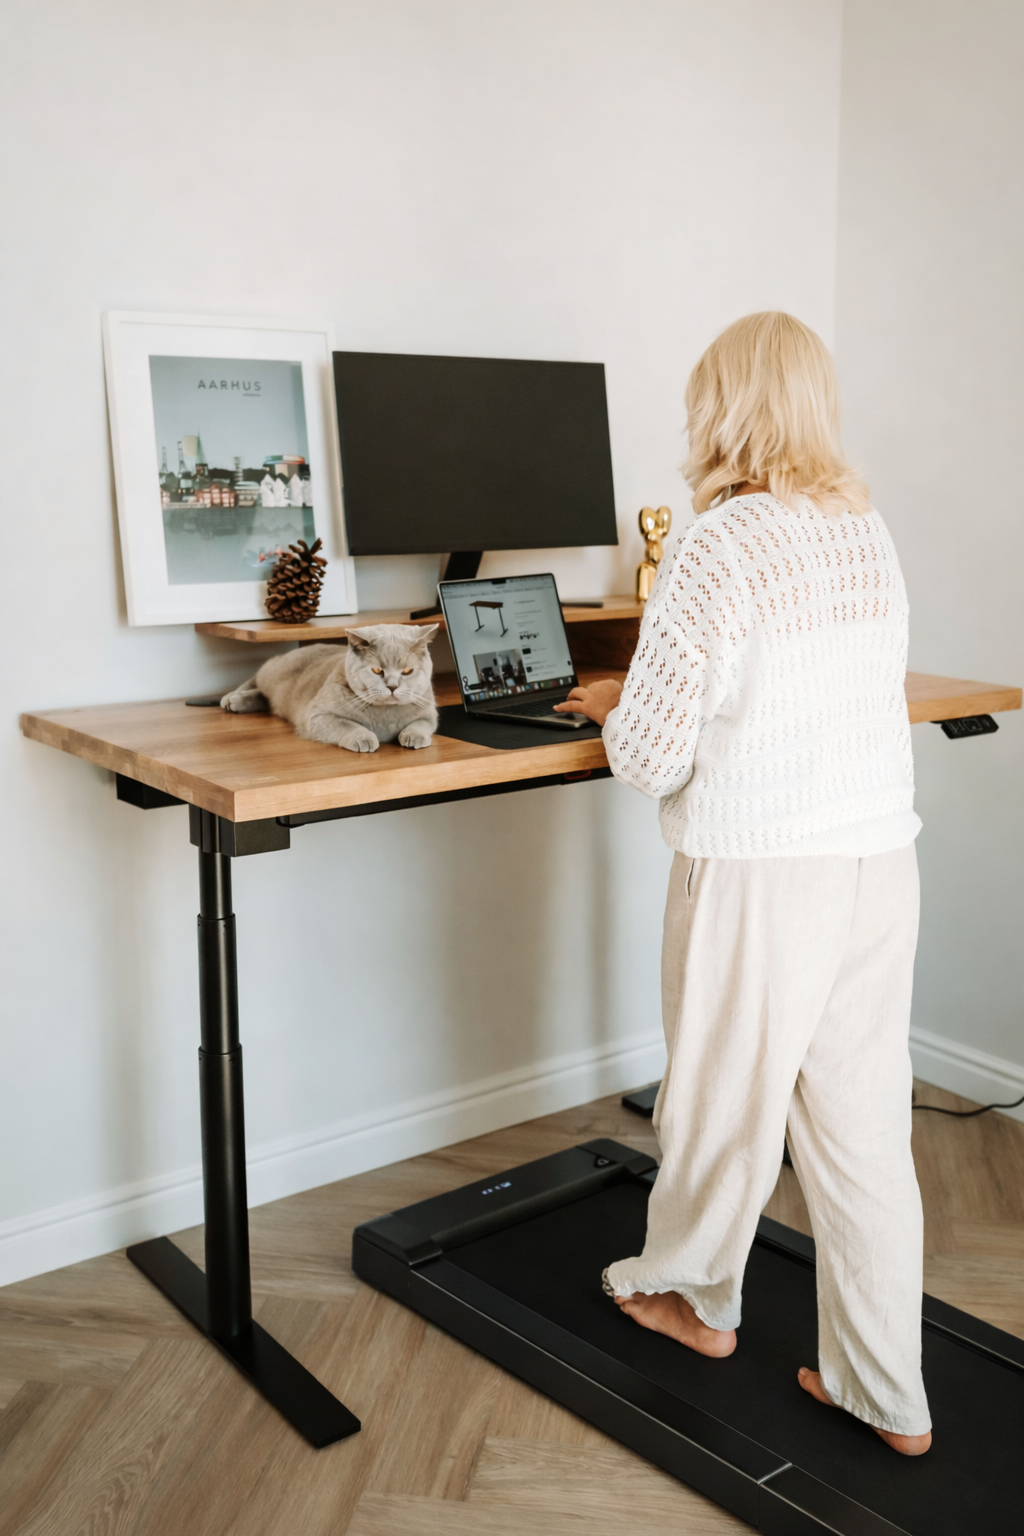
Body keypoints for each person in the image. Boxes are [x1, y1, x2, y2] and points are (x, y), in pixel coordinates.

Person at [554, 311, 932, 1457]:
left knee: (720, 1110)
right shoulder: (864, 529)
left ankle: (692, 1298)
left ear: (721, 407)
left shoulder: (719, 544)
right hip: (877, 863)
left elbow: (647, 756)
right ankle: (887, 1392)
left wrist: (617, 702)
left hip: (761, 873)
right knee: (862, 1133)